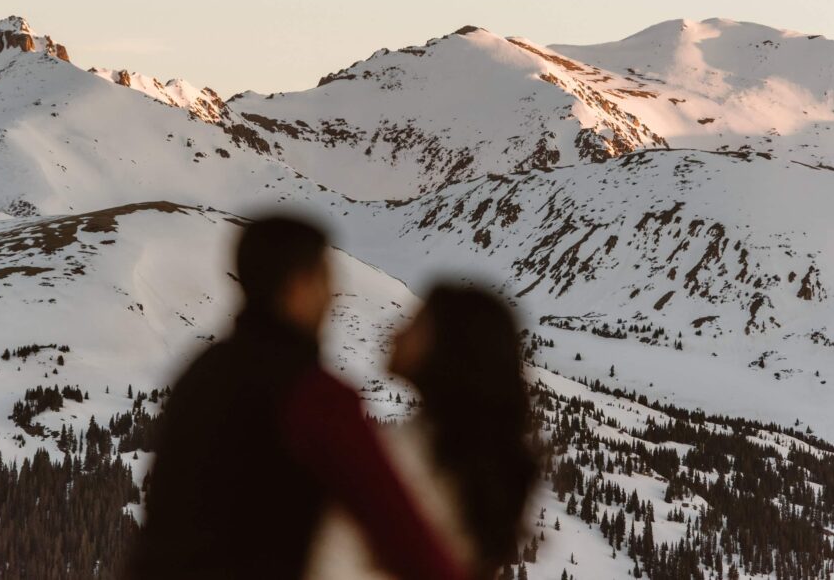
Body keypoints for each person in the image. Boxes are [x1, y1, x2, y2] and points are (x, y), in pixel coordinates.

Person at [126, 216, 467, 580]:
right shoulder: (313, 395)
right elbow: (402, 532)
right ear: (298, 287)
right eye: (325, 280)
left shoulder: (200, 372)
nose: (332, 297)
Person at [305, 284, 540, 580]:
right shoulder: (475, 467)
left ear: (450, 347)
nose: (395, 333)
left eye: (416, 325)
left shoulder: (401, 455)